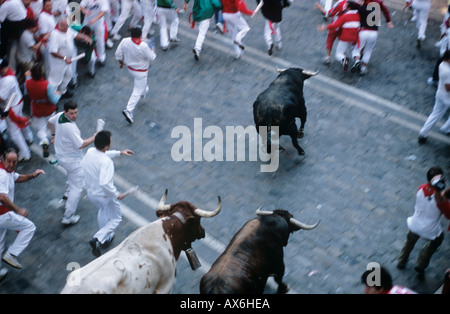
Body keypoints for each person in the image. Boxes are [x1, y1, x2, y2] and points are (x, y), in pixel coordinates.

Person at [82, 131, 134, 257]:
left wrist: (119, 152)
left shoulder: (90, 152)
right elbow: (105, 183)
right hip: (105, 196)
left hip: (92, 193)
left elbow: (103, 155)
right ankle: (98, 238)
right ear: (106, 146)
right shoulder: (106, 163)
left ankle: (104, 238)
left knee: (103, 211)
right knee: (116, 218)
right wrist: (116, 194)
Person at [47, 101, 96, 225]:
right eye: (71, 113)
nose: (74, 115)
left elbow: (49, 122)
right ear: (65, 112)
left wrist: (53, 135)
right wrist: (94, 137)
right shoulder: (71, 128)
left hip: (61, 156)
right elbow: (80, 144)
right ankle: (68, 216)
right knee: (77, 188)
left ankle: (67, 193)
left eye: (76, 112)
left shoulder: (59, 116)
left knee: (71, 176)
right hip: (72, 160)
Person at [0, 148, 45, 279]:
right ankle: (12, 254)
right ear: (3, 159)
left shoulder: (6, 170)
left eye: (14, 162)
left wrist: (32, 175)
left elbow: (17, 178)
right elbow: (2, 197)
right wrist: (18, 210)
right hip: (2, 214)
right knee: (29, 227)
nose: (11, 164)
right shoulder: (2, 175)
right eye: (9, 161)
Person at [397, 167, 449, 278]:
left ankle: (401, 260)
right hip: (429, 231)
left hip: (414, 224)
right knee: (438, 240)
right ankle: (421, 264)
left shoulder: (421, 188)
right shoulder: (442, 202)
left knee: (409, 241)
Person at [115, 27, 156, 124]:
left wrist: (121, 61)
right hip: (141, 72)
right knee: (137, 90)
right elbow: (152, 58)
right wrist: (152, 49)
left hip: (130, 69)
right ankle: (128, 110)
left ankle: (143, 91)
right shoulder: (143, 46)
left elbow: (117, 54)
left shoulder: (125, 41)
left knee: (142, 87)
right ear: (140, 35)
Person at [47, 18, 93, 98]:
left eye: (67, 26)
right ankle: (52, 99)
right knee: (55, 81)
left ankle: (62, 91)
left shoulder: (68, 30)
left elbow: (75, 35)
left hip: (67, 60)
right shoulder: (55, 34)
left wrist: (85, 37)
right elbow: (52, 51)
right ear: (59, 25)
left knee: (68, 75)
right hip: (58, 62)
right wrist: (64, 58)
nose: (66, 28)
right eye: (64, 26)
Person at [0, 58, 34, 162]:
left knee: (13, 131)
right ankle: (29, 138)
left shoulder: (7, 80)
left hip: (11, 106)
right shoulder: (8, 71)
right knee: (21, 122)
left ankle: (25, 153)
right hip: (17, 101)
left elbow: (1, 98)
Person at [25, 64, 61, 158]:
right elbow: (54, 100)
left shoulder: (28, 83)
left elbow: (27, 87)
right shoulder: (46, 85)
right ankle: (56, 141)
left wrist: (28, 76)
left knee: (41, 129)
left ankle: (44, 142)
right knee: (53, 125)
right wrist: (58, 94)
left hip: (36, 109)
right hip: (48, 109)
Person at [352, 0, 393, 75]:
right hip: (374, 32)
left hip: (363, 31)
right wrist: (388, 21)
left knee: (356, 50)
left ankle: (357, 61)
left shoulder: (361, 8)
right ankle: (363, 68)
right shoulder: (377, 8)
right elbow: (383, 13)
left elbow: (355, 12)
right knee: (368, 50)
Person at [418, 50, 450, 144]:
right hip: (447, 96)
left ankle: (423, 133)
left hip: (440, 94)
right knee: (436, 114)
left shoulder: (442, 65)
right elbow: (448, 88)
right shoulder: (448, 71)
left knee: (435, 114)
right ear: (447, 59)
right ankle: (446, 128)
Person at [318, 1, 360, 71]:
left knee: (333, 44)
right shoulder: (357, 13)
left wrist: (320, 8)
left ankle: (334, 58)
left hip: (341, 31)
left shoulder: (341, 5)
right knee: (353, 50)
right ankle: (357, 61)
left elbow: (330, 15)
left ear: (349, 8)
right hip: (354, 35)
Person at [315, 0, 348, 65]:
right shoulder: (347, 2)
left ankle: (328, 57)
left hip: (336, 25)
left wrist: (320, 8)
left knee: (330, 39)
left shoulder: (339, 4)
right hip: (346, 25)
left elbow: (328, 14)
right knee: (343, 41)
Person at [80, 0, 110, 67]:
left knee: (100, 41)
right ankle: (87, 58)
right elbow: (81, 6)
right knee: (85, 40)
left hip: (98, 23)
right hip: (87, 22)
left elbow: (103, 12)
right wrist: (84, 10)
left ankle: (101, 59)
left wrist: (95, 19)